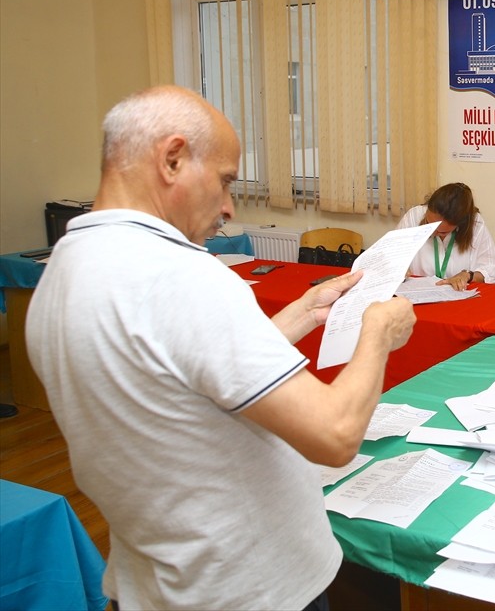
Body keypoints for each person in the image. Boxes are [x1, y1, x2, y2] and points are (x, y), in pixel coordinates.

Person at [27, 86, 417, 611]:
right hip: (251, 589)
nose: (230, 206)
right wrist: (378, 333)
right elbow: (336, 434)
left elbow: (180, 377)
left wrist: (304, 311)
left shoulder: (65, 269)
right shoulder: (181, 274)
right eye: (226, 180)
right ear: (172, 159)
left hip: (160, 582)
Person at [397, 182, 495, 290]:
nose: (433, 233)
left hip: (458, 295)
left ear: (460, 224)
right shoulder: (413, 216)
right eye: (429, 224)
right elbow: (389, 257)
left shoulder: (474, 223)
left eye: (442, 232)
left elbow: (494, 270)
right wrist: (395, 269)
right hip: (418, 293)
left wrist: (468, 275)